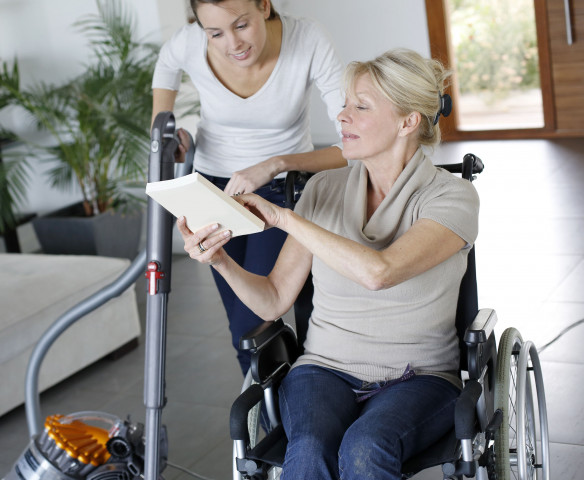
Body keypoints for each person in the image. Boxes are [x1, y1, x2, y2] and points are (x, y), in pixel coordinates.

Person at [177, 48, 479, 479]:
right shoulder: (322, 189)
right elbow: (273, 300)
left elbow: (380, 272)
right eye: (344, 104)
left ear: (408, 121)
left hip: (420, 377)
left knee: (365, 448)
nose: (342, 116)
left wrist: (286, 218)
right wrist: (220, 259)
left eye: (361, 106)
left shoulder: (452, 196)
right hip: (323, 370)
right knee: (308, 449)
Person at [152, 0, 347, 374]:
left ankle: (298, 397)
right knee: (243, 331)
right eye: (215, 33)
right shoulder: (189, 42)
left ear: (265, 6)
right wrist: (162, 131)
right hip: (212, 189)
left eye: (241, 25)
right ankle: (267, 410)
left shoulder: (307, 39)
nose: (233, 44)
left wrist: (276, 162)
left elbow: (350, 147)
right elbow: (166, 65)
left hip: (280, 191)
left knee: (256, 320)